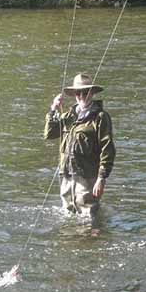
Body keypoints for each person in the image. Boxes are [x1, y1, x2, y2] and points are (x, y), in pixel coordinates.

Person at [44, 73, 116, 217]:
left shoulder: (100, 117)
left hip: (88, 177)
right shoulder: (68, 116)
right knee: (68, 214)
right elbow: (49, 134)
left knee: (89, 216)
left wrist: (101, 178)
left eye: (85, 92)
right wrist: (53, 109)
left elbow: (107, 148)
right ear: (74, 94)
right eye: (78, 92)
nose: (82, 96)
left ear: (92, 93)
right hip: (66, 175)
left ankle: (95, 237)